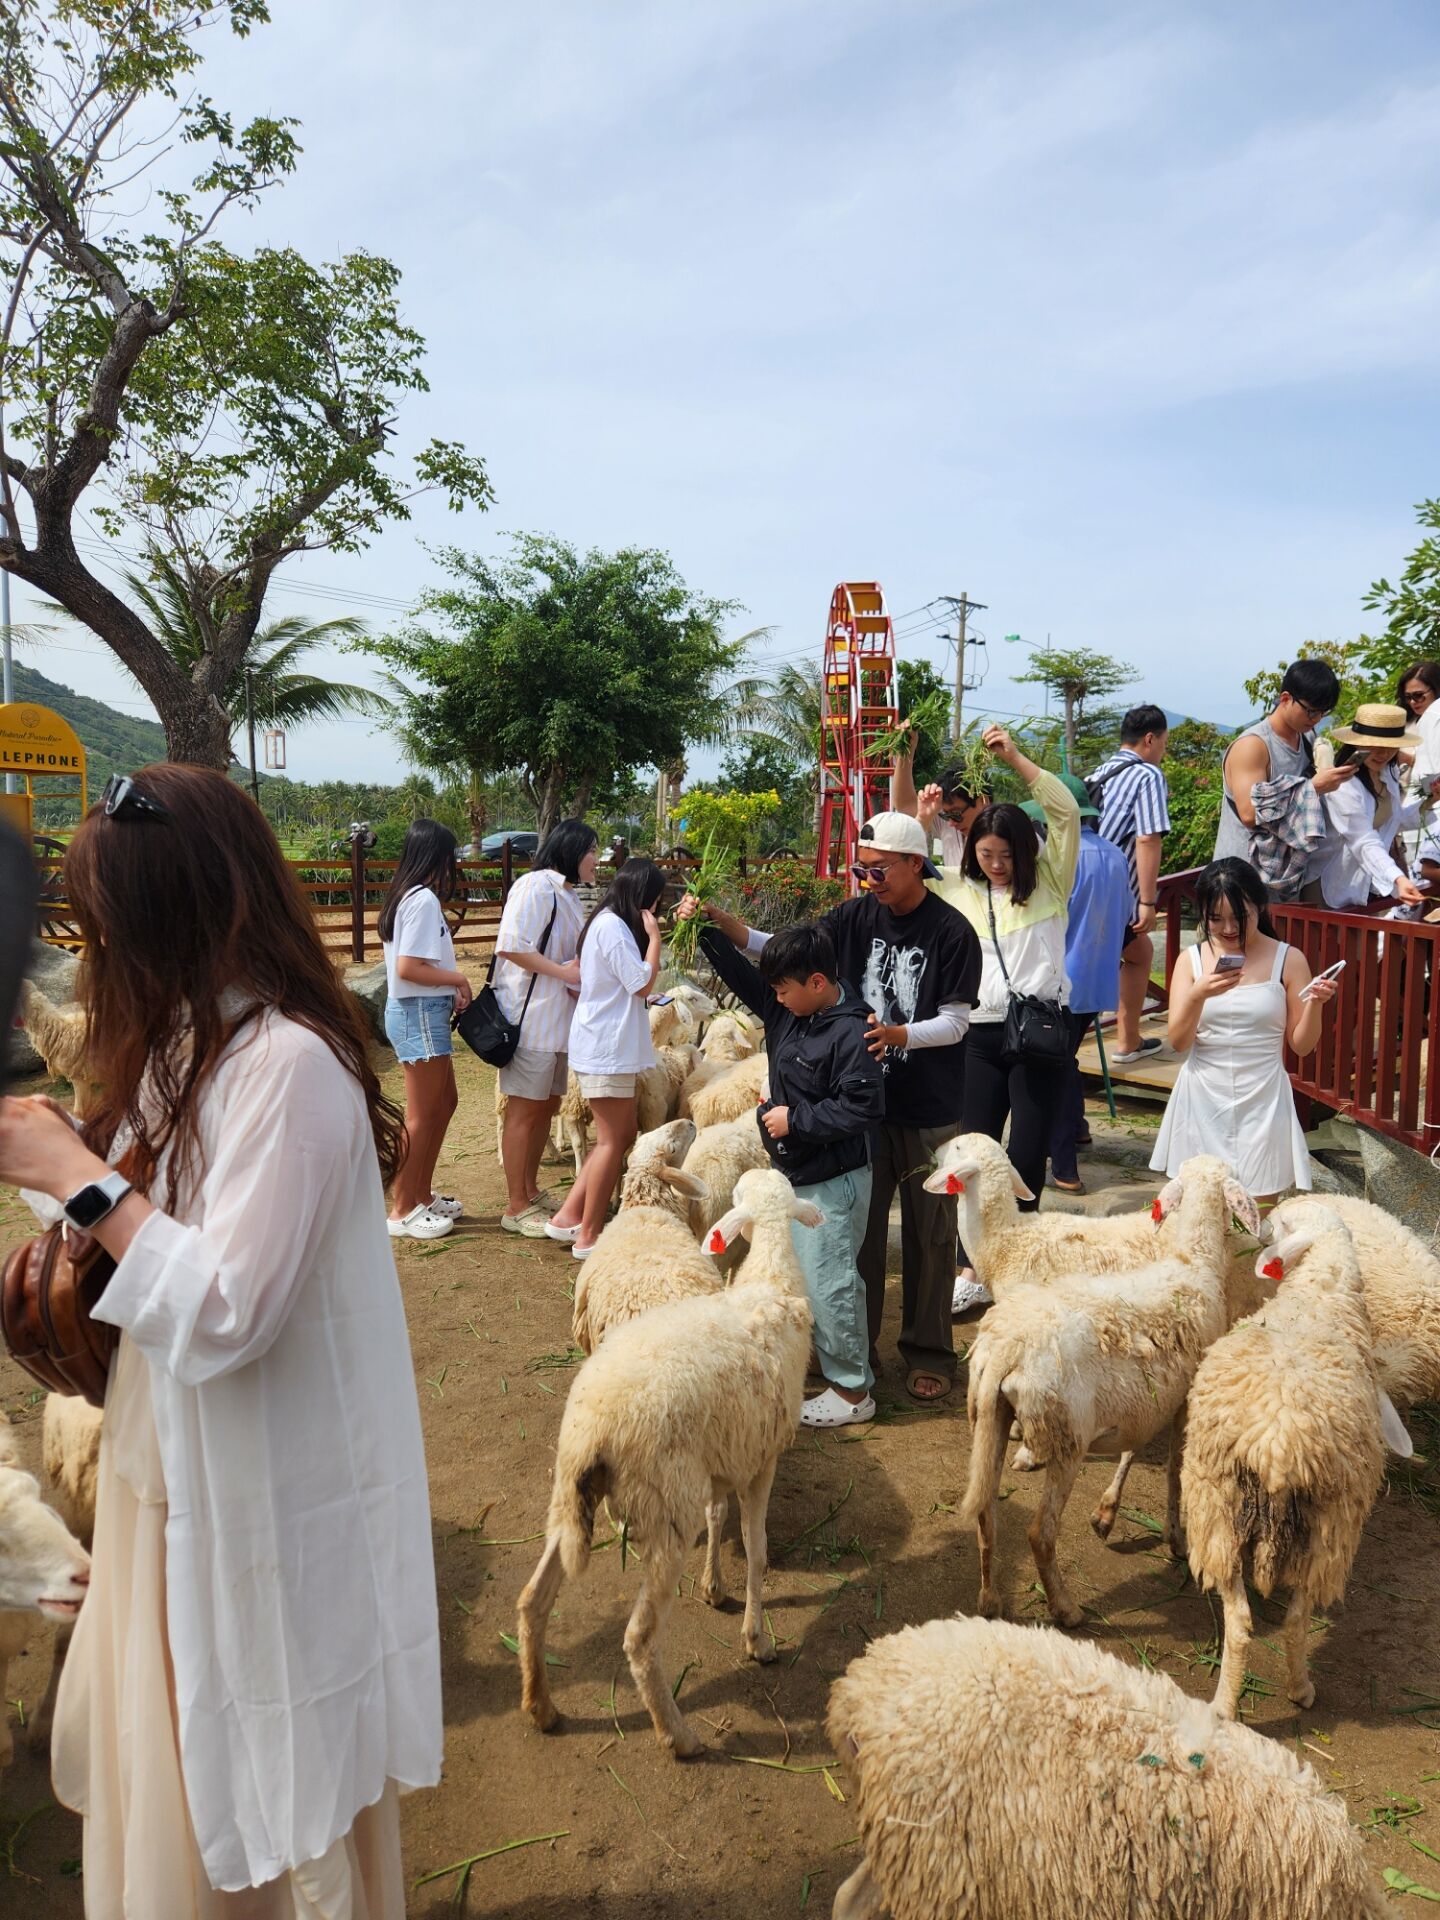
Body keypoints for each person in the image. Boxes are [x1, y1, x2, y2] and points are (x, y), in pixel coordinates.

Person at [0, 764, 441, 1916]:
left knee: (265, 1776)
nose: (97, 957)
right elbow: (140, 1228)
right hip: (171, 1473)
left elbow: (230, 1305)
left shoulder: (288, 1065)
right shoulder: (194, 1044)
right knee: (187, 1759)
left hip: (263, 1488)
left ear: (175, 917)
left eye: (109, 930)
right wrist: (62, 1167)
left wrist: (81, 1180)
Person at [692, 814, 980, 1403]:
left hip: (926, 1105)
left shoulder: (953, 932)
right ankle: (853, 1351)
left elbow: (955, 1023)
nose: (867, 879)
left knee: (929, 1235)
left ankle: (929, 1351)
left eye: (878, 870)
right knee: (857, 1237)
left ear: (915, 864)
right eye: (860, 868)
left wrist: (898, 1036)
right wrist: (722, 925)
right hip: (849, 1110)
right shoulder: (853, 917)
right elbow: (788, 956)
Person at [688, 917, 885, 1426]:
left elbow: (863, 1108)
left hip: (833, 1179)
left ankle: (852, 1393)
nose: (773, 999)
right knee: (820, 1274)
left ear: (817, 983)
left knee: (831, 1279)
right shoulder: (790, 1011)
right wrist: (704, 928)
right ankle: (838, 1361)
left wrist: (794, 1119)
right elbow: (742, 977)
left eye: (783, 989)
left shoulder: (851, 1030)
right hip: (800, 1171)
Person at [920, 728, 1080, 1310]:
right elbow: (909, 855)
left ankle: (1019, 1264)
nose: (995, 865)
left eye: (1005, 856)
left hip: (1039, 1033)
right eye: (985, 856)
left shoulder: (1054, 881)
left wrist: (1013, 758)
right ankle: (970, 1270)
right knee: (974, 1153)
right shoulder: (962, 885)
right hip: (980, 1035)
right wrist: (918, 799)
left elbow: (1063, 811)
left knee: (1028, 1149)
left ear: (1026, 850)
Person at [1153, 856, 1336, 1198]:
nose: (1228, 929)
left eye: (1240, 917)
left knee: (1260, 1214)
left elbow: (1302, 1045)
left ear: (1260, 906)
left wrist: (1315, 1003)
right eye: (1215, 919)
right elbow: (1178, 1042)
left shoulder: (1288, 958)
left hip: (1263, 1099)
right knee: (1201, 1212)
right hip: (1203, 1096)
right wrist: (1197, 994)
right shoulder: (1190, 960)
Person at [1017, 775, 1133, 1195]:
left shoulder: (1061, 858)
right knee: (1064, 1059)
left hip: (1059, 981)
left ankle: (1064, 1164)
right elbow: (1128, 917)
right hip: (1098, 979)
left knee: (1055, 1069)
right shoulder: (1116, 855)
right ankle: (1079, 1131)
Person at [545, 858, 666, 1257]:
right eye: (655, 901)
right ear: (643, 896)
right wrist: (654, 940)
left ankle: (568, 1218)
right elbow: (640, 984)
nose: (656, 910)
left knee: (617, 1137)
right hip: (606, 1047)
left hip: (607, 1044)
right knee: (613, 1141)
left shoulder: (606, 923)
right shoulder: (614, 926)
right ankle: (589, 1235)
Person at [491, 819, 594, 1236]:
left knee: (546, 1107)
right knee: (524, 1110)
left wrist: (571, 979)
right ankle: (516, 1205)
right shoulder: (535, 886)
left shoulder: (568, 895)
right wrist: (564, 974)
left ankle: (531, 1192)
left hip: (556, 1022)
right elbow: (511, 945)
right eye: (591, 850)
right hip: (529, 1020)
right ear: (571, 850)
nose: (597, 859)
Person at [379, 818, 473, 1240]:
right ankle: (402, 1208)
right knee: (421, 1114)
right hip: (417, 1011)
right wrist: (458, 980)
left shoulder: (410, 897)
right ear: (436, 857)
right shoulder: (421, 901)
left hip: (422, 1010)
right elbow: (409, 968)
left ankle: (419, 1193)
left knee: (444, 1102)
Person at [1214, 659, 1353, 898]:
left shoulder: (1306, 739)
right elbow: (1249, 813)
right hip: (1241, 880)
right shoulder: (1253, 746)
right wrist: (1313, 788)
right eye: (1311, 710)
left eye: (1323, 712)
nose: (1317, 718)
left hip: (1284, 878)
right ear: (1286, 698)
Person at [1087, 704, 1171, 1065]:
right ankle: (1126, 1041)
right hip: (1115, 891)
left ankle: (1116, 1038)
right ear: (1150, 739)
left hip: (1084, 885)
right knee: (1139, 955)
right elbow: (1148, 838)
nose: (1163, 751)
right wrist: (1148, 902)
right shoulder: (1148, 775)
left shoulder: (1098, 773)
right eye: (1164, 743)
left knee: (1119, 955)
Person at [1312, 705, 1425, 911]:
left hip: (1366, 881)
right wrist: (1397, 877)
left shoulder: (1387, 774)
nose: (1383, 753)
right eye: (1374, 745)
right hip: (1333, 880)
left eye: (1391, 746)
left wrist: (1431, 799)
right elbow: (1363, 839)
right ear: (1357, 744)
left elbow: (1395, 819)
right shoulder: (1343, 784)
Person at [891, 744, 989, 873]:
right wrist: (906, 751)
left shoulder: (1003, 828)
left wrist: (1013, 757)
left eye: (956, 814)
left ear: (982, 801)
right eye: (946, 815)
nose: (951, 823)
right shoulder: (949, 826)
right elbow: (905, 804)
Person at [1397, 660, 1440, 868]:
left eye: (1419, 695)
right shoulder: (1419, 719)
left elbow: (1434, 774)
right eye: (1408, 697)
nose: (1413, 701)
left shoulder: (1433, 715)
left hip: (1429, 817)